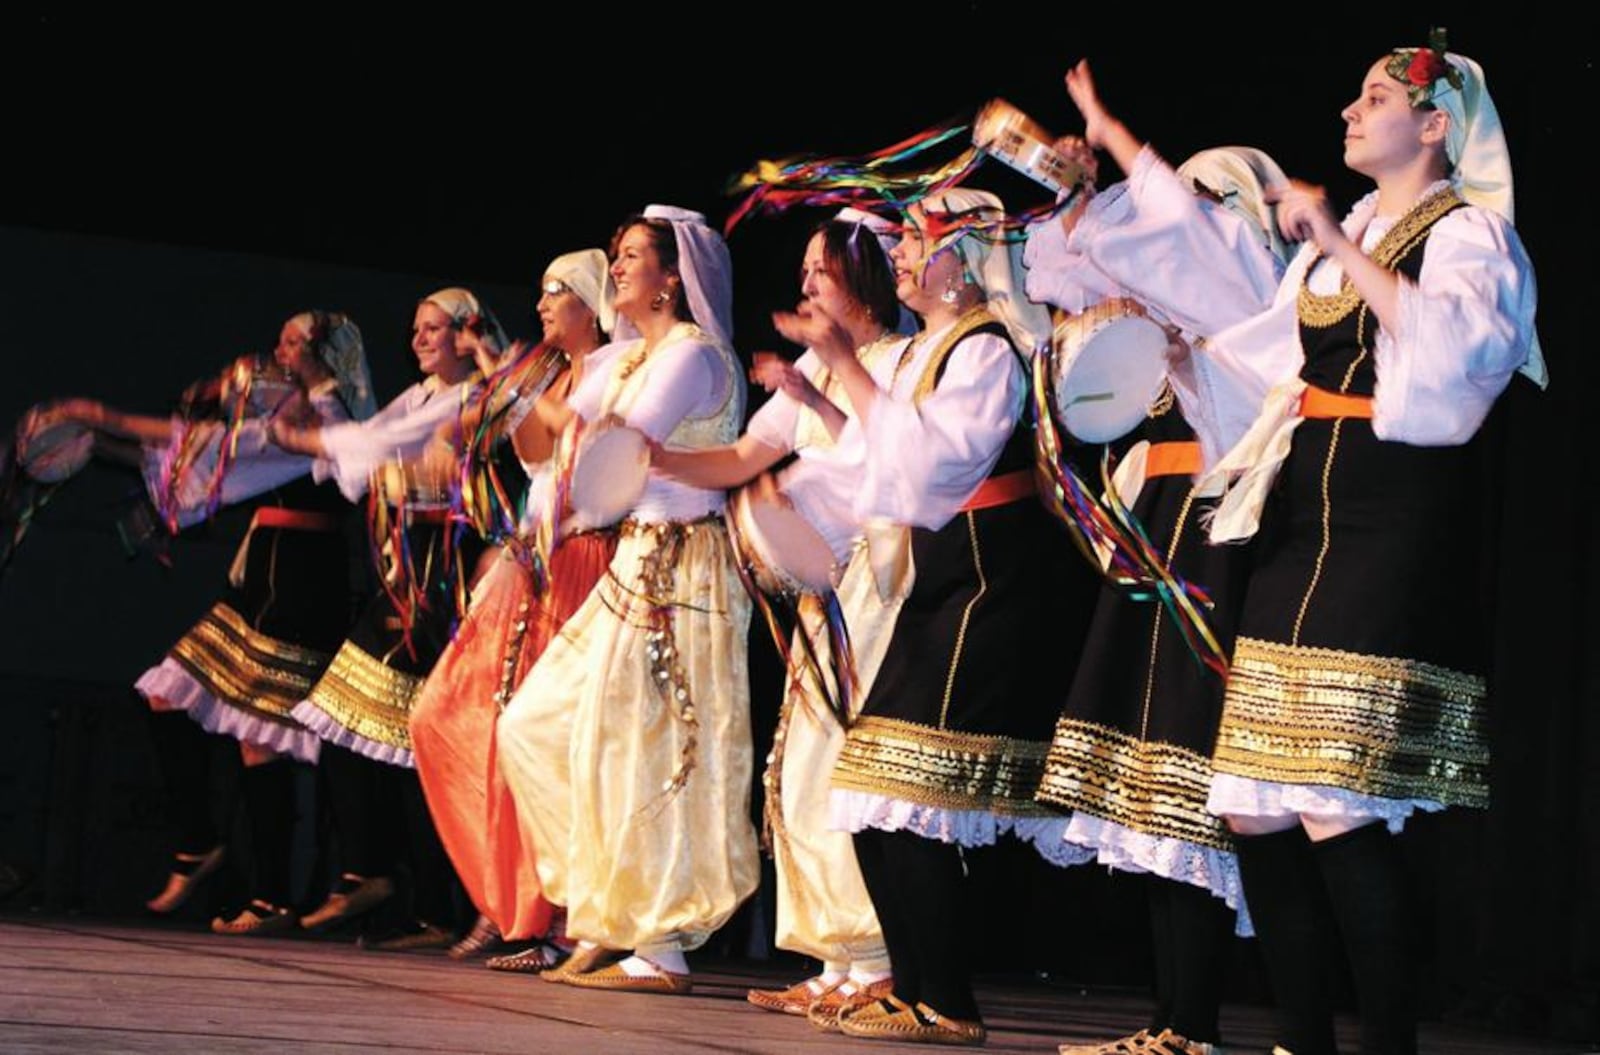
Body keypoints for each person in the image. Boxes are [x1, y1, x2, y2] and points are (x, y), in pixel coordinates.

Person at [1179, 39, 1542, 1055]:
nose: (1349, 109)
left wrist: (1338, 244)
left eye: (1376, 97)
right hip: (1302, 521)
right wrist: (1176, 353)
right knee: (1254, 806)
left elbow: (1457, 362)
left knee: (1334, 800)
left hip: (1388, 520)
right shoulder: (1345, 236)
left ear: (1434, 126)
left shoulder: (1468, 235)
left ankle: (1384, 1041)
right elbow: (1263, 360)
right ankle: (1304, 1036)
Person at [1024, 62, 1299, 1055]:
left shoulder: (1264, 300)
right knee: (1153, 784)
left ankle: (1210, 1019)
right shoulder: (1200, 310)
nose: (1174, 231)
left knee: (1202, 782)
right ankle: (1173, 1020)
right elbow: (1067, 278)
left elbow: (1179, 247)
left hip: (1236, 541)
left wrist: (1105, 133)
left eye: (1200, 205)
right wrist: (1073, 199)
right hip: (1181, 534)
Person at [785, 187, 1096, 1044]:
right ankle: (916, 989)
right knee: (867, 783)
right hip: (945, 576)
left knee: (901, 780)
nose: (906, 260)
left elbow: (932, 467)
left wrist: (841, 366)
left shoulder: (988, 350)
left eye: (922, 244)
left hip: (994, 578)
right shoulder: (931, 352)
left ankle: (948, 1000)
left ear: (965, 262)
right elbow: (873, 462)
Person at [653, 210, 909, 1024]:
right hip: (817, 586)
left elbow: (898, 462)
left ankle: (877, 951)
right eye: (802, 269)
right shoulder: (814, 368)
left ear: (863, 274)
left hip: (875, 578)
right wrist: (649, 456)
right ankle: (835, 955)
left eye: (819, 269)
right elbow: (739, 459)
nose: (803, 283)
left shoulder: (900, 361)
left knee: (849, 760)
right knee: (799, 767)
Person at [496, 205, 757, 994]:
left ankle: (661, 944)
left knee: (657, 749)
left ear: (672, 278)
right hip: (638, 556)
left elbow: (619, 452)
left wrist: (576, 439)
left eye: (633, 255)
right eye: (616, 254)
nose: (617, 266)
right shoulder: (637, 357)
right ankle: (605, 911)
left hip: (682, 568)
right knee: (541, 726)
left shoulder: (692, 354)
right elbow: (579, 458)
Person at [54, 311, 372, 935]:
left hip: (304, 583)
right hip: (263, 580)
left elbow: (321, 447)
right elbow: (202, 450)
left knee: (262, 737)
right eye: (281, 339)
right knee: (167, 694)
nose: (280, 349)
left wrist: (102, 422)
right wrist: (99, 431)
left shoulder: (337, 422)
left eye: (296, 342)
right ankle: (204, 845)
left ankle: (272, 892)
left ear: (327, 353)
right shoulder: (283, 424)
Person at [405, 251, 618, 964]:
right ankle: (506, 896)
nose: (542, 304)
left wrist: (508, 373)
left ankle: (550, 917)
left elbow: (585, 448)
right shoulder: (553, 373)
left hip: (584, 558)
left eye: (556, 292)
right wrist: (500, 393)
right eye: (540, 291)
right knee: (446, 714)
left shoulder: (620, 367)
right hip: (532, 555)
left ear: (592, 302)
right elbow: (531, 453)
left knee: (546, 737)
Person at [271, 287, 499, 949]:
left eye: (434, 328)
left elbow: (390, 459)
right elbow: (362, 462)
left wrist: (323, 409)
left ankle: (414, 890)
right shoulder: (421, 397)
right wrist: (318, 417)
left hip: (442, 569)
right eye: (416, 327)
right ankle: (389, 879)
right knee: (367, 725)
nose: (420, 338)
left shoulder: (481, 395)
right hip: (402, 567)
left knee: (412, 739)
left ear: (467, 332)